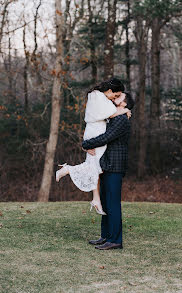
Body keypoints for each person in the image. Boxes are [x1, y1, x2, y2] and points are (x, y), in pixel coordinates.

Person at [56, 78, 131, 215]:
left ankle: (96, 199)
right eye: (115, 95)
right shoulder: (100, 98)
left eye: (118, 97)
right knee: (94, 165)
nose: (115, 98)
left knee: (95, 166)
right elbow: (111, 113)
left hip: (93, 132)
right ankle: (68, 169)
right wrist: (124, 110)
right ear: (109, 90)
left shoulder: (97, 96)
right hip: (96, 133)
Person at [82, 92, 134, 250]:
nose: (114, 98)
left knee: (113, 204)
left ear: (123, 104)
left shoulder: (120, 120)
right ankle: (105, 236)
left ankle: (115, 240)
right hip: (106, 164)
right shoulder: (113, 116)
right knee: (105, 202)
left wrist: (86, 143)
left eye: (118, 97)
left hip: (115, 166)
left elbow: (106, 137)